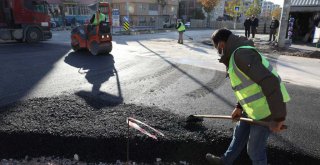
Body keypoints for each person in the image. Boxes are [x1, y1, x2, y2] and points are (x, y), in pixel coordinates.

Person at [206, 28, 290, 165]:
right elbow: (247, 86)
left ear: (221, 44)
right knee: (238, 137)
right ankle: (224, 162)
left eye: (216, 47)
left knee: (254, 150)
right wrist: (238, 107)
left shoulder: (241, 54)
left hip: (266, 110)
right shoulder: (235, 54)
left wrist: (278, 117)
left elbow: (270, 82)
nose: (218, 51)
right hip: (251, 108)